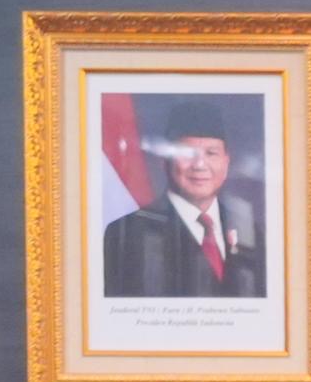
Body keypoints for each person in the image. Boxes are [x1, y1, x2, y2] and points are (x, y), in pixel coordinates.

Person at [101, 99, 266, 299]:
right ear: (165, 161)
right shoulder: (128, 233)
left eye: (211, 153)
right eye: (187, 153)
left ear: (226, 162)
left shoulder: (250, 233)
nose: (199, 165)